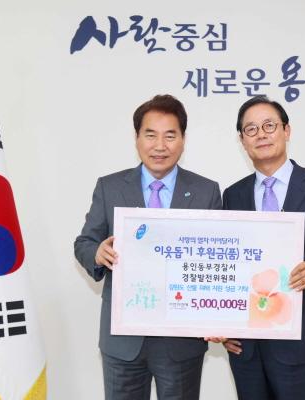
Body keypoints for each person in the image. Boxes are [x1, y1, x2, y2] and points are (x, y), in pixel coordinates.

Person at [74, 94, 221, 400]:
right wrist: (97, 253)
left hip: (181, 341)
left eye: (170, 136)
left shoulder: (206, 191)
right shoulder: (110, 187)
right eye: (150, 135)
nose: (160, 146)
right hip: (123, 340)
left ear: (183, 139)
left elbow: (217, 262)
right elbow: (84, 242)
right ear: (137, 137)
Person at [217, 95, 305, 400]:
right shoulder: (233, 195)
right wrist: (223, 323)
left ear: (286, 130)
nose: (261, 134)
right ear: (242, 140)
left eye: (269, 125)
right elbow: (227, 263)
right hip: (245, 344)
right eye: (251, 129)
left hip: (300, 339)